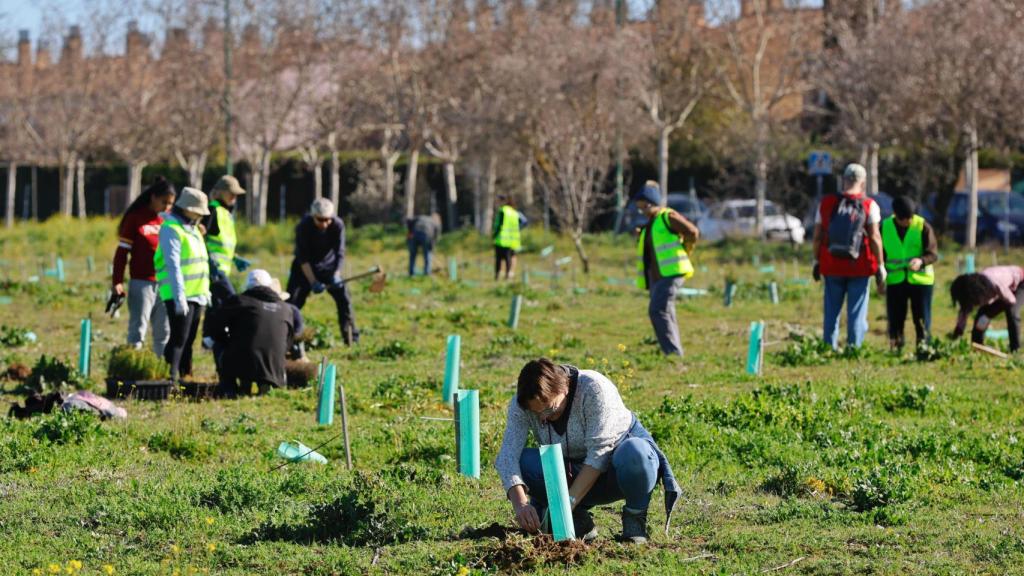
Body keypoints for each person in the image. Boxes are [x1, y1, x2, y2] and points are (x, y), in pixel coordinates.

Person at [495, 358, 681, 544]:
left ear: (564, 388)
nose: (543, 419)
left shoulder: (593, 389)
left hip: (615, 469)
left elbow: (599, 454)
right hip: (572, 470)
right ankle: (578, 521)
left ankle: (634, 519)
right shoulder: (523, 404)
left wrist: (567, 503)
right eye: (537, 414)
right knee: (524, 461)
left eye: (550, 409)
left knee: (637, 454)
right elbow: (507, 456)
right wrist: (520, 505)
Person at [812, 163, 886, 350]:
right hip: (859, 267)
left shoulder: (827, 203)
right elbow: (875, 237)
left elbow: (817, 236)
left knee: (831, 311)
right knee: (856, 312)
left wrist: (816, 261)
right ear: (863, 182)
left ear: (844, 180)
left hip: (831, 264)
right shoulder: (869, 205)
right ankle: (854, 348)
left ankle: (829, 347)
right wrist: (880, 264)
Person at [633, 181, 699, 357]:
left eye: (645, 207)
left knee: (657, 310)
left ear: (653, 203)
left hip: (672, 272)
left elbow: (692, 232)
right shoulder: (650, 224)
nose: (643, 212)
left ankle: (672, 353)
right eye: (640, 209)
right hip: (657, 277)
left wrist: (686, 249)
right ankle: (674, 353)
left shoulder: (666, 217)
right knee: (665, 311)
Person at [208, 269, 297, 398]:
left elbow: (215, 327)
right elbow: (289, 341)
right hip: (275, 366)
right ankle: (265, 384)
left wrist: (226, 341)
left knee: (219, 346)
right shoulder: (286, 308)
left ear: (248, 285)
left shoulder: (239, 301)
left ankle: (230, 388)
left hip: (243, 359)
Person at [111, 178, 175, 355]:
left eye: (170, 204)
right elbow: (122, 253)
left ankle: (161, 373)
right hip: (142, 283)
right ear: (153, 197)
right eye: (164, 202)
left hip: (165, 284)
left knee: (164, 332)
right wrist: (117, 281)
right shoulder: (135, 218)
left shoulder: (169, 221)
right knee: (137, 330)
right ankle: (133, 370)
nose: (167, 207)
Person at [155, 187, 211, 381]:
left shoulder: (193, 230)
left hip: (197, 294)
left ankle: (186, 375)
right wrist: (179, 298)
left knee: (189, 339)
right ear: (187, 209)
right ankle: (170, 377)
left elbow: (200, 262)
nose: (200, 216)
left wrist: (206, 292)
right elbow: (173, 266)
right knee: (179, 337)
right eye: (198, 211)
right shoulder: (171, 229)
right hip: (178, 294)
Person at [286, 198, 359, 345]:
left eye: (328, 219)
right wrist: (312, 281)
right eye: (320, 220)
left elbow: (340, 252)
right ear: (313, 216)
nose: (324, 224)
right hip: (304, 269)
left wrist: (336, 274)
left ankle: (351, 339)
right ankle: (286, 338)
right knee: (292, 303)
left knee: (344, 300)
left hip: (329, 267)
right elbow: (303, 257)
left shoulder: (338, 225)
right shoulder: (303, 227)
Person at [881, 196, 938, 350]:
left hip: (920, 281)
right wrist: (879, 278)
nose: (908, 221)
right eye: (904, 219)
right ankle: (896, 347)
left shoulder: (923, 226)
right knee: (896, 318)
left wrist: (921, 261)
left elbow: (933, 254)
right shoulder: (885, 227)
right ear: (895, 215)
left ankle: (924, 347)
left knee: (921, 318)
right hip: (895, 280)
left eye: (910, 217)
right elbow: (880, 254)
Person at [200, 175, 249, 352]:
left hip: (222, 268)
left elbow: (221, 243)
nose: (234, 198)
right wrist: (209, 260)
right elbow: (201, 236)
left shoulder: (226, 214)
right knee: (231, 300)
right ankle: (221, 336)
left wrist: (234, 257)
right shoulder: (213, 210)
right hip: (213, 268)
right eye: (232, 194)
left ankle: (209, 340)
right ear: (221, 193)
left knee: (216, 305)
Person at [950, 265, 1024, 353]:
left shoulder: (995, 283)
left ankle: (1015, 349)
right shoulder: (975, 288)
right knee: (982, 316)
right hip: (1004, 290)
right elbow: (964, 310)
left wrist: (994, 310)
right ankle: (977, 346)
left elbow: (1011, 301)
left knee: (1012, 312)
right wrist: (959, 330)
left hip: (1019, 284)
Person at [493, 196, 526, 280]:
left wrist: (494, 235)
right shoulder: (514, 212)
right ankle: (508, 275)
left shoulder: (502, 211)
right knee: (509, 258)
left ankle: (497, 275)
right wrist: (518, 229)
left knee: (499, 258)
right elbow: (525, 221)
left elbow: (499, 224)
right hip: (512, 239)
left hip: (501, 238)